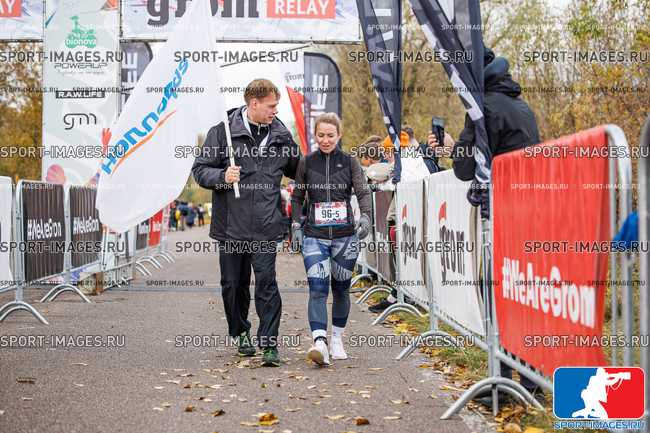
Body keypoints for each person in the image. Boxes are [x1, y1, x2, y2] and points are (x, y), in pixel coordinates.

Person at [431, 49, 543, 405]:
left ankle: (504, 384)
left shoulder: (482, 109)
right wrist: (458, 146)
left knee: (496, 295)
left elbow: (466, 169)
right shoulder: (519, 104)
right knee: (521, 296)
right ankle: (530, 381)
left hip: (505, 214)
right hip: (531, 212)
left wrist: (456, 149)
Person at [192, 78, 301, 367]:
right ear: (254, 103)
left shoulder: (281, 134)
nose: (275, 111)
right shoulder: (222, 132)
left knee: (267, 284)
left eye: (276, 106)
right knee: (233, 285)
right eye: (271, 106)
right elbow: (200, 170)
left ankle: (269, 344)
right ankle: (240, 332)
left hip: (266, 225)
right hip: (231, 228)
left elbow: (298, 170)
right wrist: (222, 176)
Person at [290, 113, 372, 366]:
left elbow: (363, 192)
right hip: (314, 236)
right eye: (321, 135)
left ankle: (336, 339)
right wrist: (296, 225)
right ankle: (319, 343)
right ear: (315, 135)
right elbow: (297, 197)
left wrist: (366, 217)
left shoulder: (349, 161)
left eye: (330, 135)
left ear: (339, 135)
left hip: (344, 237)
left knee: (341, 289)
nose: (325, 140)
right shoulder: (306, 162)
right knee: (317, 288)